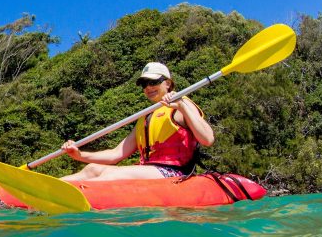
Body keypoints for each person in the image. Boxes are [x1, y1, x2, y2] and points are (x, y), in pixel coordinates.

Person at [60, 62, 214, 182]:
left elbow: (207, 139)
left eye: (153, 82)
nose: (148, 87)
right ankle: (44, 189)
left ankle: (82, 195)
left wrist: (181, 105)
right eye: (144, 84)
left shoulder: (181, 105)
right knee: (92, 169)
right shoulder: (146, 116)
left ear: (167, 83)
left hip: (175, 172)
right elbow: (116, 154)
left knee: (111, 173)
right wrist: (79, 155)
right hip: (148, 170)